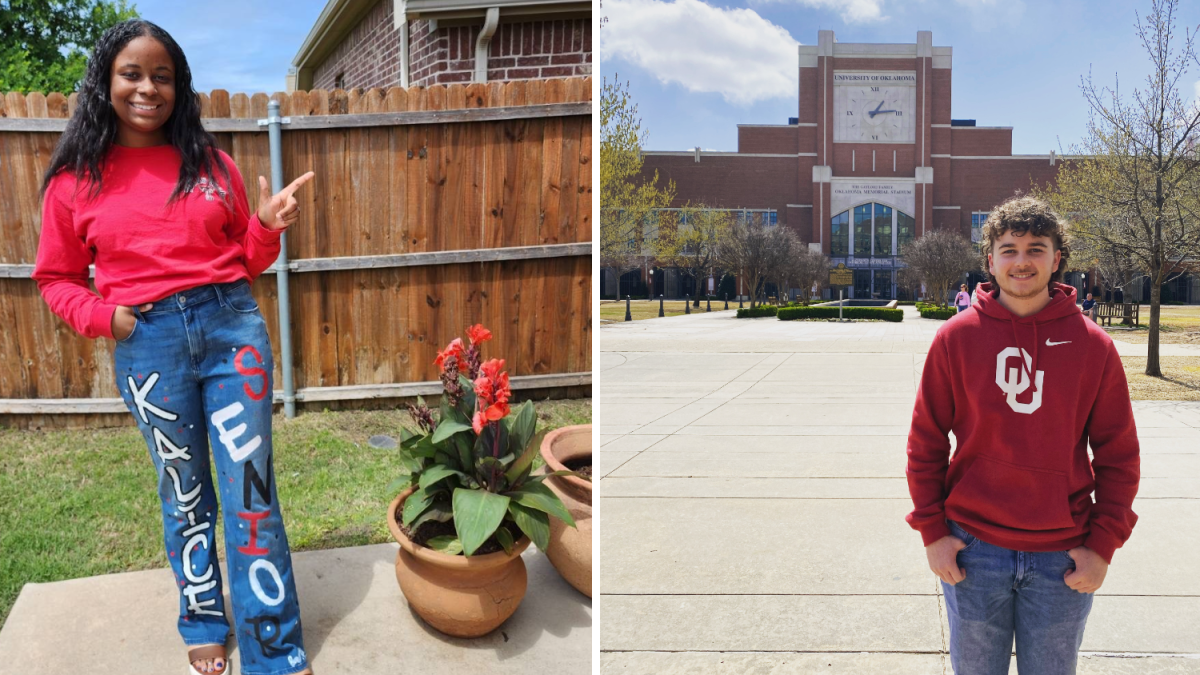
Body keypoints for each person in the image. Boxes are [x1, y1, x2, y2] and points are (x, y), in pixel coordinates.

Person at [32, 20, 315, 675]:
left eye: (163, 75)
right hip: (149, 344)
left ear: (179, 87)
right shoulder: (75, 180)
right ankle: (203, 618)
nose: (147, 87)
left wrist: (266, 228)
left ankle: (274, 649)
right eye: (132, 73)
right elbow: (54, 277)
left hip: (231, 334)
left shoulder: (211, 165)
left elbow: (242, 260)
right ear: (106, 82)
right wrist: (109, 320)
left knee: (251, 492)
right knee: (186, 494)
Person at [905, 196, 1139, 675]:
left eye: (1036, 247)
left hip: (1062, 557)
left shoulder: (1094, 347)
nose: (1022, 260)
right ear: (990, 260)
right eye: (1008, 249)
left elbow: (1119, 455)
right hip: (973, 549)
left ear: (1058, 259)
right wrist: (933, 532)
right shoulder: (956, 337)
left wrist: (1102, 546)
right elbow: (926, 443)